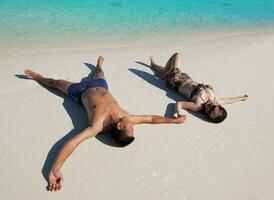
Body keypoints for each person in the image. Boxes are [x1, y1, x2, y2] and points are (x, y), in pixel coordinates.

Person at [24, 55, 186, 192]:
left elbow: (72, 143)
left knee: (55, 83)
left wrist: (55, 169)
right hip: (101, 86)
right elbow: (151, 119)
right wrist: (173, 121)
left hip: (80, 91)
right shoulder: (126, 117)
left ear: (120, 126)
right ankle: (99, 65)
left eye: (131, 127)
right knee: (100, 73)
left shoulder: (97, 126)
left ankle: (38, 77)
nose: (133, 124)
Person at [149, 53, 248, 123]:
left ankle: (161, 72)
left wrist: (178, 113)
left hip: (175, 81)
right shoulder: (216, 100)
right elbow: (230, 100)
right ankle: (155, 66)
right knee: (167, 69)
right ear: (218, 106)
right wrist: (241, 98)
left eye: (208, 112)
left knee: (177, 55)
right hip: (186, 77)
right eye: (212, 107)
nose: (208, 108)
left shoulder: (198, 106)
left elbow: (179, 104)